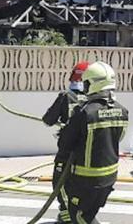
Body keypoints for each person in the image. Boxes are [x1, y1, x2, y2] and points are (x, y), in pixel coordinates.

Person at [58, 61, 129, 224]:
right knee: (87, 216)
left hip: (85, 180)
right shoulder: (122, 111)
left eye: (86, 83)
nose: (84, 86)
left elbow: (64, 144)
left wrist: (67, 129)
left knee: (78, 216)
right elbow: (118, 137)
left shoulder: (84, 113)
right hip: (109, 178)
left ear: (93, 84)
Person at [43, 62, 89, 223]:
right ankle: (80, 214)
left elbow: (48, 120)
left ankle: (66, 216)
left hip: (67, 151)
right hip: (86, 153)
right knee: (80, 184)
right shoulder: (93, 100)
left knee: (60, 182)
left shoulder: (65, 97)